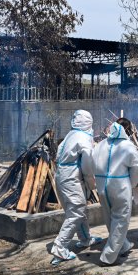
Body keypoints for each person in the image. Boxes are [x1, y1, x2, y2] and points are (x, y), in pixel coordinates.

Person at [83, 120, 138, 265]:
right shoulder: (128, 147)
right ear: (124, 133)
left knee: (110, 219)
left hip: (103, 188)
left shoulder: (100, 146)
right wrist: (132, 185)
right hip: (120, 188)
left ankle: (124, 245)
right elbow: (136, 169)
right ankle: (107, 257)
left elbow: (90, 164)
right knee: (121, 221)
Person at [49, 110, 103, 265]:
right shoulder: (84, 138)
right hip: (71, 176)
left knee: (77, 209)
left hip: (62, 174)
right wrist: (91, 182)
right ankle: (60, 248)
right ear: (89, 123)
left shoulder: (70, 135)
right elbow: (87, 163)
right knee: (77, 211)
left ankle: (85, 239)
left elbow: (59, 155)